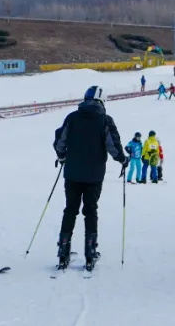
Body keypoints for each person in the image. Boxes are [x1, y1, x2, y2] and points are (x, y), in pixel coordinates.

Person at [53, 86, 126, 270]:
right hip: (94, 175)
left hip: (72, 173)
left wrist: (62, 156)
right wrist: (123, 160)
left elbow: (60, 141)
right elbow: (113, 146)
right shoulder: (105, 120)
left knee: (70, 209)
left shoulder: (72, 117)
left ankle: (63, 250)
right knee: (90, 210)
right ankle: (90, 251)